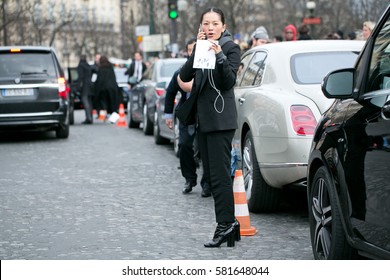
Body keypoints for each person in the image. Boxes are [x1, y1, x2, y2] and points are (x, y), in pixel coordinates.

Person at [179, 7, 241, 248]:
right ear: (201, 27)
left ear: (223, 26)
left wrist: (220, 56)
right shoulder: (200, 47)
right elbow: (185, 76)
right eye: (206, 23)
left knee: (218, 176)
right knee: (214, 176)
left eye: (215, 23)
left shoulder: (230, 48)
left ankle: (225, 225)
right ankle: (229, 224)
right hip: (204, 120)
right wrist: (196, 49)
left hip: (220, 121)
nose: (210, 27)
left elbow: (228, 81)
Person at [164, 38, 211, 197]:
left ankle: (207, 184)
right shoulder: (181, 72)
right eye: (191, 50)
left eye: (196, 49)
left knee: (206, 150)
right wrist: (168, 115)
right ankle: (189, 179)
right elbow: (170, 92)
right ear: (187, 53)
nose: (193, 52)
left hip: (204, 114)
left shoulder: (207, 70)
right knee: (184, 145)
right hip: (186, 115)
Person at [76, 54, 94, 124]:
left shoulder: (80, 66)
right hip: (90, 85)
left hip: (85, 86)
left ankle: (88, 118)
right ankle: (90, 117)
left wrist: (77, 87)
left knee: (85, 100)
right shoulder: (88, 66)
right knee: (89, 102)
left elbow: (80, 77)